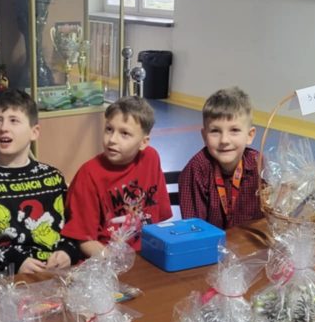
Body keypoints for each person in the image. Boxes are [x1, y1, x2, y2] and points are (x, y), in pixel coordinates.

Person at [0, 89, 81, 276]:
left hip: (57, 274)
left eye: (14, 120)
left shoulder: (53, 177)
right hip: (6, 280)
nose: (4, 128)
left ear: (34, 132)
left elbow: (74, 227)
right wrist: (12, 261)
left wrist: (68, 251)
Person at [63, 96, 172, 257]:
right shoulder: (88, 174)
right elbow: (84, 240)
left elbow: (159, 220)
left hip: (147, 254)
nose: (112, 140)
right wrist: (115, 261)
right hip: (106, 260)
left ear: (143, 142)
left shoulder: (151, 158)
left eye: (124, 133)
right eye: (109, 129)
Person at [178, 87, 263, 229]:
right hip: (210, 242)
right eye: (215, 131)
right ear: (204, 136)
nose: (224, 140)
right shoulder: (196, 170)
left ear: (250, 135)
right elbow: (194, 229)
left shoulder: (260, 166)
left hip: (249, 242)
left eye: (234, 130)